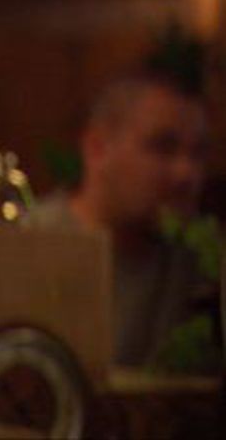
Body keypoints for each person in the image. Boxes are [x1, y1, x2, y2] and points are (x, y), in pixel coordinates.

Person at [28, 70, 208, 366]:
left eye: (198, 154)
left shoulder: (197, 265)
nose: (186, 173)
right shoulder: (28, 246)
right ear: (96, 149)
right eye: (163, 147)